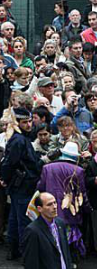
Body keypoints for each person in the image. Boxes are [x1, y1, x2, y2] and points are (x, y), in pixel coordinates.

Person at [1, 108, 43, 260]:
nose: (29, 124)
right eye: (24, 122)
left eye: (30, 121)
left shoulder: (20, 138)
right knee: (23, 220)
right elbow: (9, 163)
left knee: (15, 218)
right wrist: (4, 178)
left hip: (22, 184)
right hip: (23, 185)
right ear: (17, 123)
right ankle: (25, 253)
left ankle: (15, 250)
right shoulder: (18, 140)